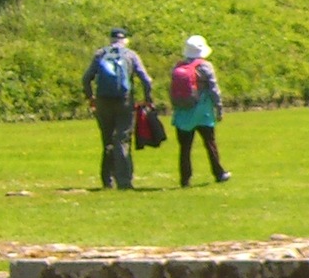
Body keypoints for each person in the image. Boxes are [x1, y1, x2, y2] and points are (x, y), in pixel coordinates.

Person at [81, 27, 153, 190]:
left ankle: (107, 181)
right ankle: (124, 181)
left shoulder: (100, 54)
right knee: (122, 139)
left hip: (103, 101)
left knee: (107, 140)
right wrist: (148, 98)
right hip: (124, 102)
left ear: (111, 39)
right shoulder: (131, 55)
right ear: (125, 40)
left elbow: (86, 79)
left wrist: (91, 97)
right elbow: (146, 80)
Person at [169, 34, 232, 187]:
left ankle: (185, 179)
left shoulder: (178, 67)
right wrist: (219, 107)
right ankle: (219, 172)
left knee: (185, 147)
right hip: (203, 110)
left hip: (183, 112)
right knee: (210, 143)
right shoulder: (205, 66)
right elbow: (214, 89)